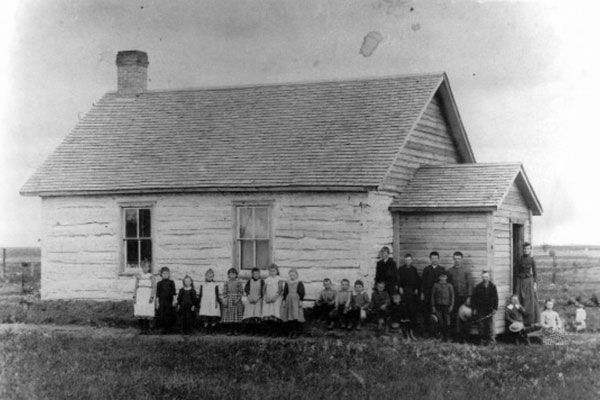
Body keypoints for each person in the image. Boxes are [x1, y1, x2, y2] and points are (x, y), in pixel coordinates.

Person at [447, 251, 473, 341]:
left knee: (464, 316)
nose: (457, 260)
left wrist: (469, 297)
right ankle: (455, 337)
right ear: (453, 259)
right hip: (454, 298)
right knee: (454, 317)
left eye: (459, 259)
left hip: (464, 297)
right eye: (455, 259)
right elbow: (448, 285)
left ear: (462, 259)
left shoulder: (466, 271)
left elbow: (470, 284)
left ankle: (465, 337)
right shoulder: (450, 271)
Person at [421, 251, 445, 337]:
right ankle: (427, 332)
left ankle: (438, 332)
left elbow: (444, 284)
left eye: (436, 258)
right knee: (427, 313)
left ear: (438, 259)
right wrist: (422, 293)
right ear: (430, 259)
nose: (434, 260)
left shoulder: (442, 270)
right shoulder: (426, 269)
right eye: (432, 258)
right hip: (428, 294)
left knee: (438, 314)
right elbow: (423, 282)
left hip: (438, 296)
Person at [472, 271, 498, 345]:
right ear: (482, 277)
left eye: (486, 277)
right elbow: (474, 298)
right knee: (481, 325)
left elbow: (496, 298)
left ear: (489, 277)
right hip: (480, 309)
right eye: (483, 277)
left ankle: (490, 340)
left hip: (489, 309)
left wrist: (495, 308)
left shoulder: (493, 286)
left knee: (489, 325)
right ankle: (481, 340)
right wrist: (474, 308)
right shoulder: (478, 286)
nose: (485, 278)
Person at [516, 243, 539, 326]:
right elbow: (517, 272)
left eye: (528, 249)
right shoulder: (520, 259)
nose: (526, 250)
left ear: (530, 250)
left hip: (529, 281)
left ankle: (529, 321)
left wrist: (535, 284)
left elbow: (535, 273)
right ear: (523, 250)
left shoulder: (532, 260)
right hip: (521, 281)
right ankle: (522, 320)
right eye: (525, 249)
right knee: (521, 299)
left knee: (529, 301)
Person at [397, 254, 421, 333]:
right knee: (404, 310)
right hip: (404, 291)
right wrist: (400, 287)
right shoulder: (401, 269)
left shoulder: (414, 269)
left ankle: (412, 330)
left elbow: (417, 280)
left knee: (412, 310)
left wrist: (417, 288)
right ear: (404, 260)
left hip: (412, 292)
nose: (408, 261)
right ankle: (404, 330)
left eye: (409, 260)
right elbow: (398, 280)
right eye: (406, 260)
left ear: (411, 260)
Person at [281, 268, 305, 338]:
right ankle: (290, 332)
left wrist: (300, 301)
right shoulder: (287, 283)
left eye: (293, 275)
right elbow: (285, 293)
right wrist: (285, 301)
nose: (292, 277)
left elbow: (302, 293)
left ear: (296, 275)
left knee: (295, 316)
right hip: (289, 300)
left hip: (296, 300)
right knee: (289, 316)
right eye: (291, 275)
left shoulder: (299, 283)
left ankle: (295, 332)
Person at [133, 260, 155, 334]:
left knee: (147, 311)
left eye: (147, 267)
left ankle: (147, 329)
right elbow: (135, 287)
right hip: (140, 294)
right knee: (141, 310)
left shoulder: (151, 276)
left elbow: (154, 287)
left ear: (149, 268)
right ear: (142, 268)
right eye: (143, 267)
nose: (145, 269)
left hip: (148, 294)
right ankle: (141, 329)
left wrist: (152, 296)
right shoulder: (139, 276)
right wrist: (134, 296)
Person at [262, 264, 284, 337]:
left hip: (276, 299)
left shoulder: (279, 279)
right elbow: (264, 289)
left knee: (274, 315)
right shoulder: (267, 279)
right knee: (268, 315)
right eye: (270, 271)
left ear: (277, 271)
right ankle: (269, 331)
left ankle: (275, 332)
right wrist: (265, 297)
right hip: (268, 298)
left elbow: (280, 289)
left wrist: (275, 297)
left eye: (273, 271)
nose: (272, 272)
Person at [221, 268, 244, 335]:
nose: (232, 275)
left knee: (236, 315)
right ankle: (230, 330)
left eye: (234, 274)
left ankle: (236, 330)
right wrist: (225, 299)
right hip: (229, 300)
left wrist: (238, 299)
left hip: (236, 300)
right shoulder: (226, 283)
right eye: (230, 274)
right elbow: (224, 292)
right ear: (228, 275)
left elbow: (241, 291)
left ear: (236, 275)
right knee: (229, 316)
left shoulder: (239, 282)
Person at [431, 272, 454, 341]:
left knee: (446, 322)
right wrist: (433, 306)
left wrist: (451, 305)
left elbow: (452, 296)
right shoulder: (436, 285)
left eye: (444, 277)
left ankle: (446, 337)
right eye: (441, 277)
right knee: (439, 321)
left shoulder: (449, 285)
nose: (443, 278)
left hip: (446, 306)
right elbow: (433, 296)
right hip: (438, 305)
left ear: (446, 278)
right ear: (439, 277)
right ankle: (439, 336)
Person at [198, 268, 221, 333]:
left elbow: (217, 294)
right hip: (205, 301)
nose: (209, 277)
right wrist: (200, 301)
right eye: (208, 276)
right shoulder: (203, 284)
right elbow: (201, 294)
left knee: (213, 316)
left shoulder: (215, 284)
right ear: (205, 276)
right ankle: (206, 329)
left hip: (213, 301)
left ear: (213, 277)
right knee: (206, 316)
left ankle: (212, 330)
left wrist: (217, 302)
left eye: (211, 276)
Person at [242, 267, 264, 334]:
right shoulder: (249, 281)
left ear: (259, 274)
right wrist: (249, 297)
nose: (256, 275)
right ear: (252, 274)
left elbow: (262, 291)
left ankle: (256, 331)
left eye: (257, 273)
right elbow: (246, 290)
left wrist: (257, 298)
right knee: (250, 315)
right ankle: (250, 331)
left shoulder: (261, 281)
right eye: (254, 274)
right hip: (250, 300)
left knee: (256, 315)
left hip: (258, 300)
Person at [155, 267, 177, 334]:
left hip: (169, 300)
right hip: (162, 301)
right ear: (161, 274)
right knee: (162, 314)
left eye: (167, 273)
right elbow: (158, 294)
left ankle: (169, 328)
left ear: (169, 274)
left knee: (169, 314)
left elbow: (174, 292)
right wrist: (157, 303)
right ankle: (163, 328)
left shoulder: (171, 282)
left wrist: (174, 300)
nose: (165, 275)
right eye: (164, 273)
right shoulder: (159, 283)